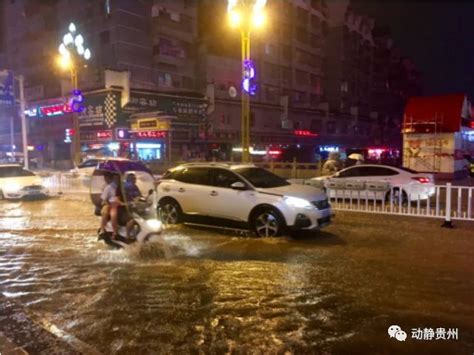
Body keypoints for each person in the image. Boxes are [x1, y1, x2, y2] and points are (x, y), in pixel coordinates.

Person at [99, 172, 119, 239]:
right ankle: (112, 231)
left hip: (120, 204)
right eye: (116, 178)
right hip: (111, 204)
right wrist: (108, 204)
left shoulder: (121, 186)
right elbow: (103, 199)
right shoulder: (108, 187)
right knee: (113, 214)